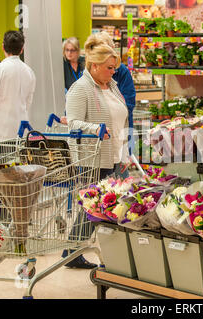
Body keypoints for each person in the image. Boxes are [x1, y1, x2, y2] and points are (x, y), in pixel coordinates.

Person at [61, 33, 131, 269]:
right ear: (95, 65)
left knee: (100, 207)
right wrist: (96, 128)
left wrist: (124, 151)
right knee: (97, 208)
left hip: (114, 153)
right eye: (110, 68)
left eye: (115, 68)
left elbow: (121, 116)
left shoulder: (112, 86)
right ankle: (84, 253)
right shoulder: (80, 89)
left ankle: (73, 252)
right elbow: (73, 123)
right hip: (92, 157)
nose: (114, 72)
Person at [0, 31, 35, 147]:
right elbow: (28, 103)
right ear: (22, 49)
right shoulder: (29, 72)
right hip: (22, 131)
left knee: (2, 165)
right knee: (21, 164)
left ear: (3, 47)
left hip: (0, 131)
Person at [96, 32, 136, 154]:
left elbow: (128, 102)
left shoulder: (122, 71)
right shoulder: (90, 71)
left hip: (119, 131)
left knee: (119, 168)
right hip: (96, 134)